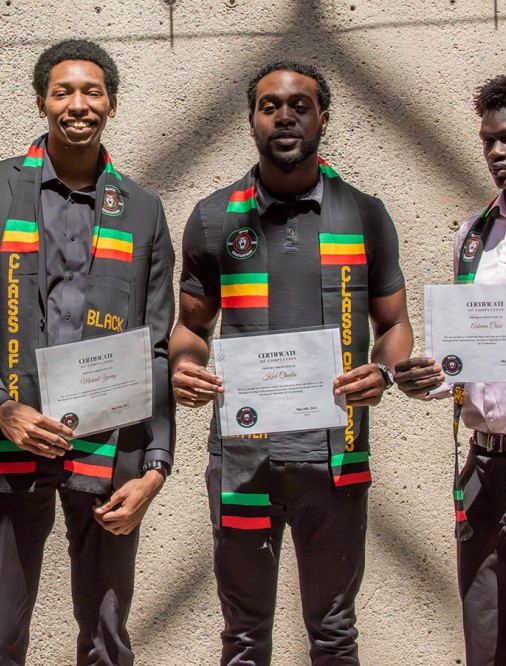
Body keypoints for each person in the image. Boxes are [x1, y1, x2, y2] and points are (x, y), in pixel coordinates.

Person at [0, 39, 175, 665]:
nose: (78, 104)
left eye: (92, 91)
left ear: (112, 104)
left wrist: (156, 463)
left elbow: (155, 347)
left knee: (107, 639)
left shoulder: (143, 210)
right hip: (10, 441)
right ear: (42, 102)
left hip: (111, 451)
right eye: (63, 91)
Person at [169, 62, 413, 665]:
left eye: (300, 105)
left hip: (336, 459)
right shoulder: (212, 217)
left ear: (322, 117)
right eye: (269, 105)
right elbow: (189, 328)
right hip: (243, 458)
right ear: (252, 118)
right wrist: (185, 366)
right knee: (244, 637)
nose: (284, 115)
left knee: (333, 632)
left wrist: (380, 373)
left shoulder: (364, 214)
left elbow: (396, 327)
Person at [395, 71, 506, 665]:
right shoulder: (474, 233)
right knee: (487, 642)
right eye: (488, 140)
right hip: (484, 466)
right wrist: (431, 377)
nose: (496, 152)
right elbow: (471, 353)